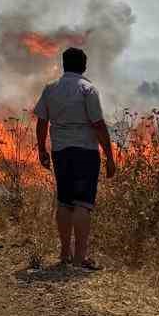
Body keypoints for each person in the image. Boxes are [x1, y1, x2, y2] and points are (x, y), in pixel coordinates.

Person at [34, 46, 116, 270]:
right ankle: (80, 257)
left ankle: (64, 253)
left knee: (64, 201)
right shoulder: (88, 89)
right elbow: (98, 125)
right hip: (85, 152)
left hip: (60, 151)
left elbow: (41, 122)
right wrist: (110, 156)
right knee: (82, 204)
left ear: (64, 64)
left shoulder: (51, 89)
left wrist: (41, 149)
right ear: (84, 66)